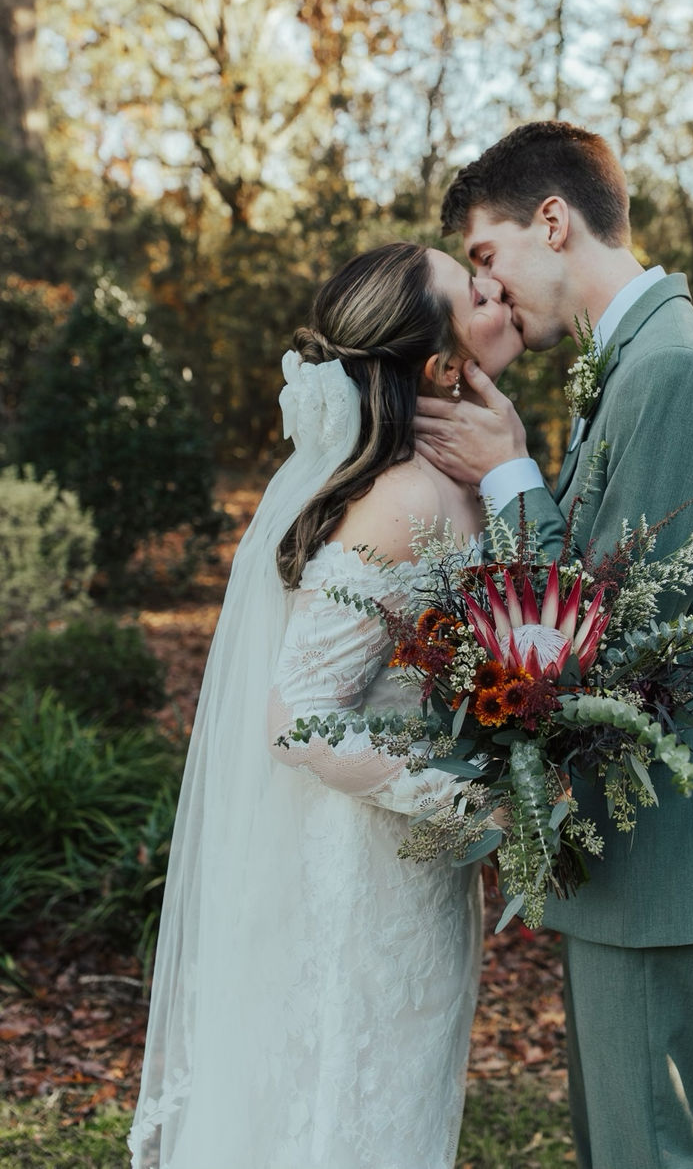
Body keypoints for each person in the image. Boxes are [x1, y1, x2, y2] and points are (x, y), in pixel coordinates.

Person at [415, 122, 693, 1169]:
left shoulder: (673, 370)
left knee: (643, 1153)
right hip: (631, 844)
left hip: (666, 846)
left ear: (552, 220)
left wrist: (510, 476)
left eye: (485, 256)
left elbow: (601, 640)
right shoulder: (628, 364)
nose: (485, 291)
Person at [129, 242, 523, 1169]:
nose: (498, 290)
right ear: (439, 366)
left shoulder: (461, 481)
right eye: (476, 292)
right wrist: (475, 800)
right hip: (360, 879)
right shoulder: (401, 497)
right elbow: (298, 716)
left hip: (418, 874)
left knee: (403, 1101)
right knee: (346, 1113)